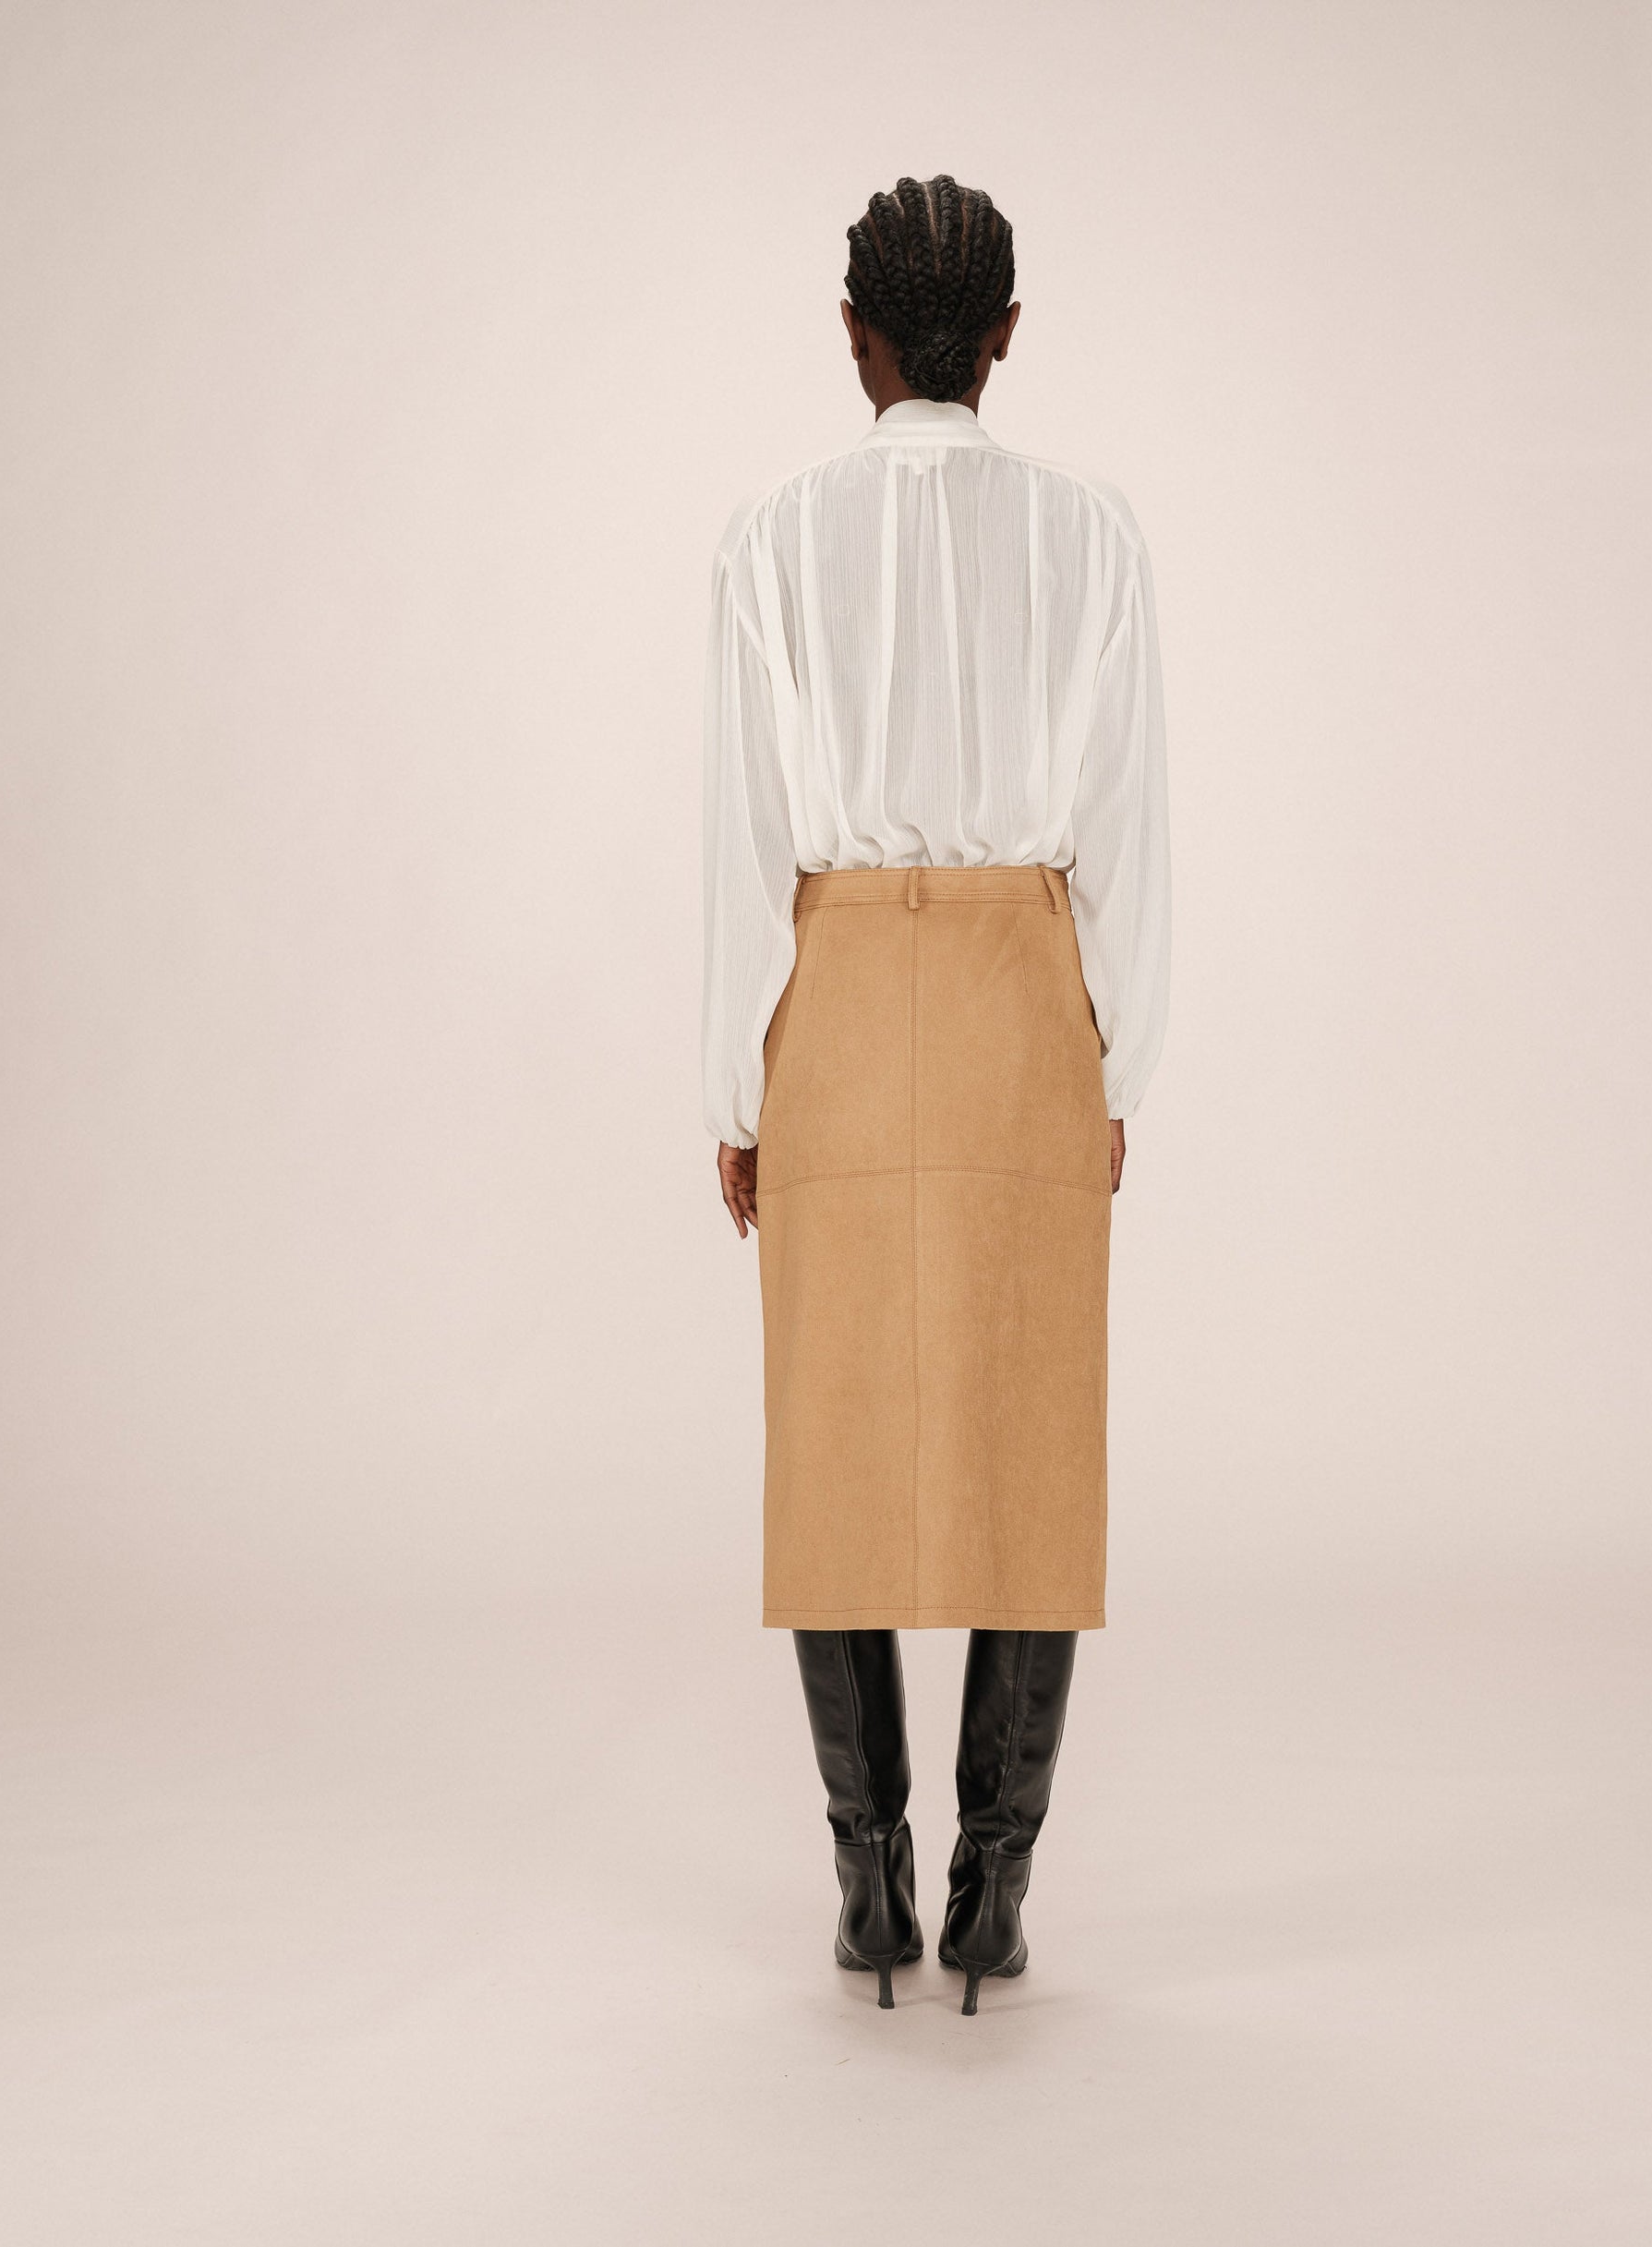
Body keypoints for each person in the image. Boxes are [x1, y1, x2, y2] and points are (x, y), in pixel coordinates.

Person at [701, 175, 1171, 2015]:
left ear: (854, 335)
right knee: (1031, 1436)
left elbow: (743, 833)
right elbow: (1126, 822)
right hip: (1021, 990)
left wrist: (735, 1078)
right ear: (1007, 333)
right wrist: (1120, 1055)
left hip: (831, 983)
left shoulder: (770, 536)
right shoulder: (1090, 533)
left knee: (829, 1438)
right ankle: (992, 1887)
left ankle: (868, 1880)